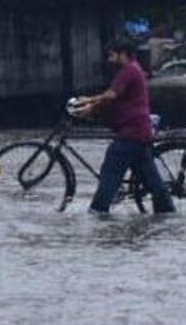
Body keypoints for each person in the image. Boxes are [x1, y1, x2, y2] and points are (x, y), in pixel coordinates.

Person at [72, 38, 175, 214]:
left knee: (110, 173)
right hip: (139, 132)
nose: (110, 60)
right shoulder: (133, 70)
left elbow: (112, 95)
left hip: (131, 133)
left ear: (123, 54)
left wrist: (89, 100)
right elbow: (115, 98)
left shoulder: (129, 71)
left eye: (112, 56)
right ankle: (166, 214)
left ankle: (98, 212)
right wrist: (92, 109)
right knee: (151, 180)